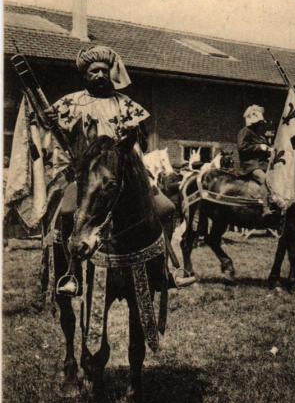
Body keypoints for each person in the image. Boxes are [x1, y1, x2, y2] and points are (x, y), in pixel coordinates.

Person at [43, 45, 192, 295]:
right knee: (68, 210)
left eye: (104, 70)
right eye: (94, 71)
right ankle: (72, 274)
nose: (100, 75)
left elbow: (143, 142)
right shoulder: (70, 104)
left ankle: (163, 271)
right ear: (85, 74)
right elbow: (54, 139)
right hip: (87, 174)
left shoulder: (127, 105)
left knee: (166, 208)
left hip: (126, 171)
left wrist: (134, 135)